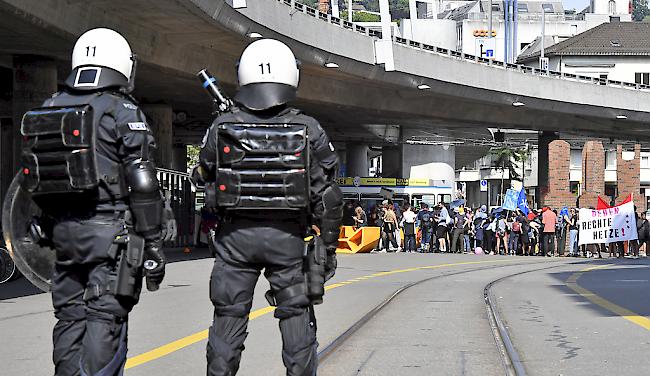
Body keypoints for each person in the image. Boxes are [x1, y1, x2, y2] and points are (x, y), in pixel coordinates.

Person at [16, 28, 167, 375]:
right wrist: (154, 243)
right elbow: (142, 182)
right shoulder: (122, 110)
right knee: (105, 320)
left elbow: (32, 179)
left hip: (62, 235)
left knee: (69, 318)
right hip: (110, 236)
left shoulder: (50, 106)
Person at [193, 39, 343, 375]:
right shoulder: (309, 127)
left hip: (234, 239)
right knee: (296, 320)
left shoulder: (222, 126)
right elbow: (329, 197)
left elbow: (201, 173)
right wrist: (327, 249)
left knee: (227, 321)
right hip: (289, 240)